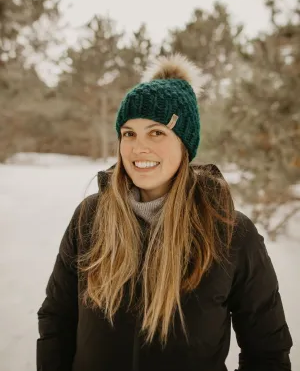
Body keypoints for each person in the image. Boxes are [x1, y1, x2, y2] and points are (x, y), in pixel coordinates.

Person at [37, 54, 293, 371]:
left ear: (185, 143)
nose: (138, 147)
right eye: (129, 133)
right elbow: (57, 318)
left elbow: (268, 352)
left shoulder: (230, 233)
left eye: (156, 132)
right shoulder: (89, 218)